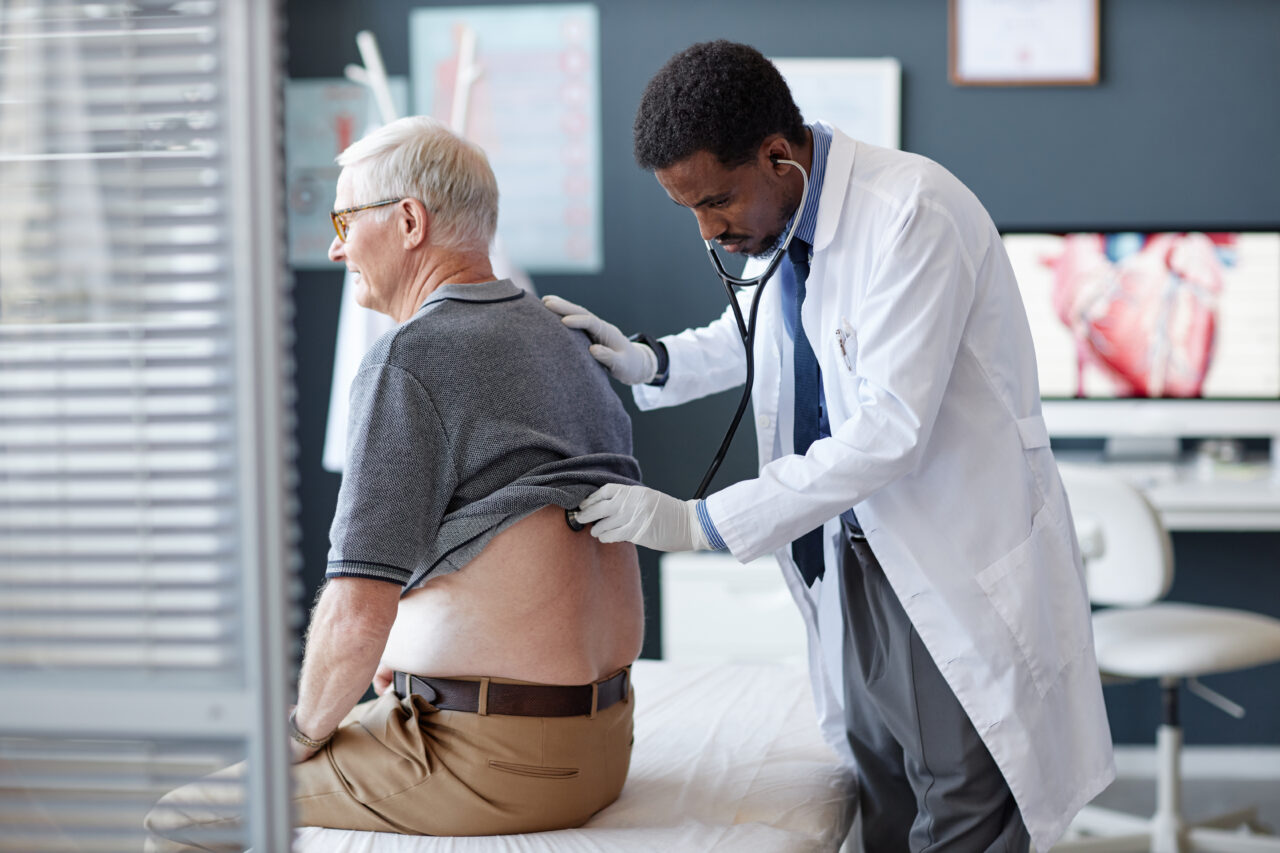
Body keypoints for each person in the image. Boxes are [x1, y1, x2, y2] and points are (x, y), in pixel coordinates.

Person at [545, 41, 1114, 852]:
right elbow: (772, 338)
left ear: (780, 156)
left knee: (962, 811)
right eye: (691, 211)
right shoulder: (785, 222)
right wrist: (651, 361)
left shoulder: (912, 214)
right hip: (856, 555)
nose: (709, 229)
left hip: (948, 552)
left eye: (717, 201)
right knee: (877, 787)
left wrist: (698, 522)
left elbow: (889, 429)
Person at [145, 116, 644, 850]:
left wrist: (300, 728)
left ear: (409, 220)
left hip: (492, 759)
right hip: (605, 740)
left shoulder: (410, 358)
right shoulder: (567, 340)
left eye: (345, 219)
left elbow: (354, 611)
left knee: (182, 817)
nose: (335, 245)